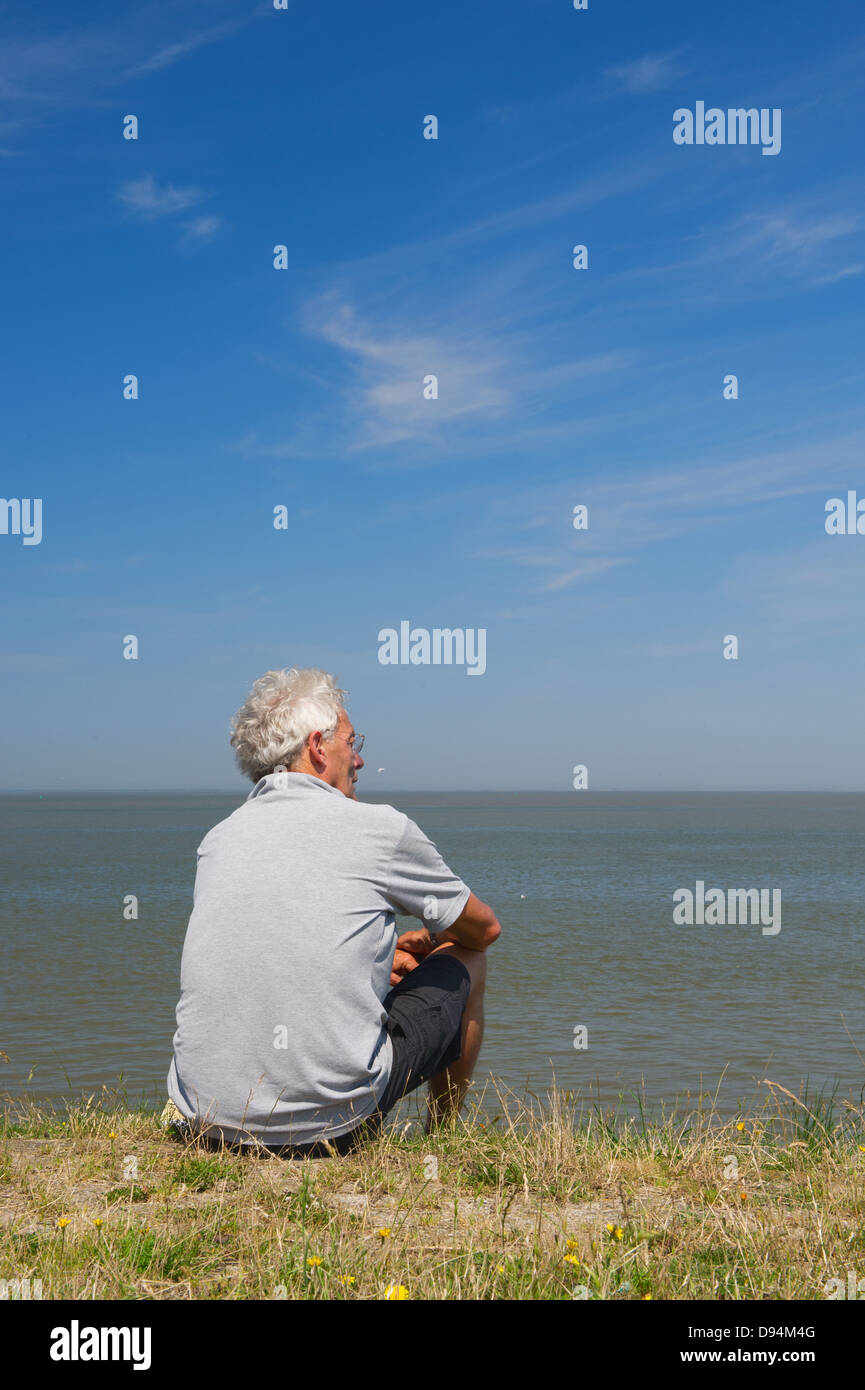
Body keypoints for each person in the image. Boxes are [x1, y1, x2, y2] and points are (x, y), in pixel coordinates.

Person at [166, 666, 501, 1156]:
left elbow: (277, 944)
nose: (360, 758)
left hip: (204, 1124)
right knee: (468, 958)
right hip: (327, 1130)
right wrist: (436, 947)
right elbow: (484, 929)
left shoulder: (218, 839)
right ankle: (445, 1139)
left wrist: (378, 958)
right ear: (319, 746)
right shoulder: (379, 829)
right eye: (352, 740)